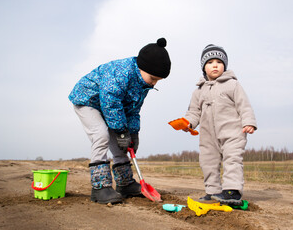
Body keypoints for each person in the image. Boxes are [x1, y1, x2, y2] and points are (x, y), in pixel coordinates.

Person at [68, 38, 171, 204]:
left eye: (158, 81)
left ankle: (125, 184)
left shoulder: (143, 84)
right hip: (87, 100)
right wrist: (122, 131)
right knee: (101, 135)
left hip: (108, 107)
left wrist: (132, 133)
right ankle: (100, 188)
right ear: (141, 68)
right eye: (153, 78)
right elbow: (110, 100)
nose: (154, 84)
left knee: (122, 143)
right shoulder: (121, 72)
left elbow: (132, 110)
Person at [183, 44, 257, 205]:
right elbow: (194, 111)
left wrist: (249, 122)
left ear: (225, 65)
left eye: (219, 61)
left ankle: (232, 190)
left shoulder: (232, 84)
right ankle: (213, 190)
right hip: (208, 134)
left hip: (233, 132)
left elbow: (244, 105)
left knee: (232, 158)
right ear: (204, 67)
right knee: (207, 161)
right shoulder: (199, 91)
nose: (215, 65)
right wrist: (188, 123)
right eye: (210, 62)